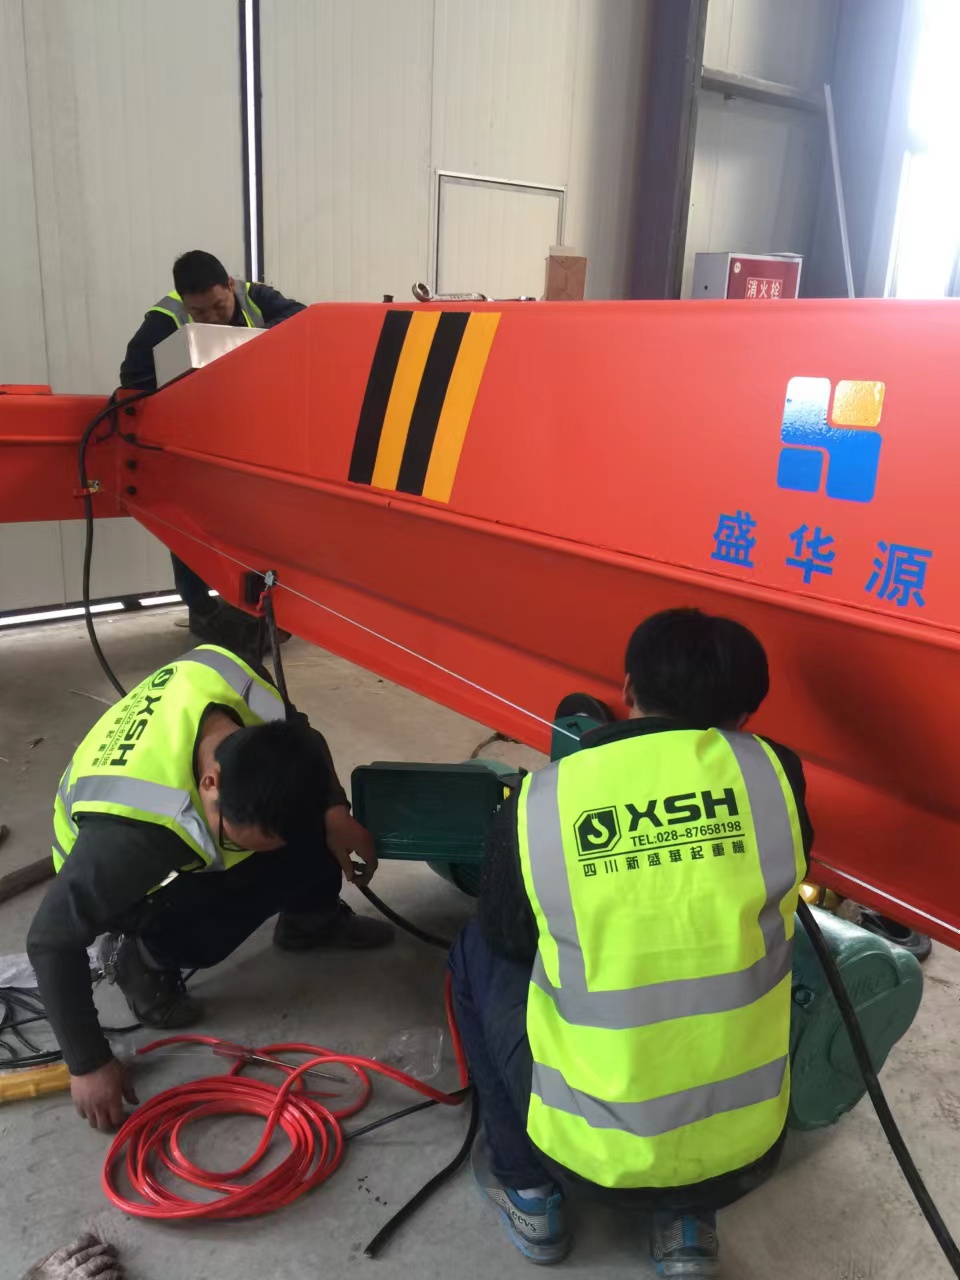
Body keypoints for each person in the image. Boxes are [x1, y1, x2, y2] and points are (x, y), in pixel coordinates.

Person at [449, 609, 813, 1276]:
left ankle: (529, 1191)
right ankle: (686, 1221)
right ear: (744, 716)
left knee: (476, 950)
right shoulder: (775, 776)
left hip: (587, 1153)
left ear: (627, 686)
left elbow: (511, 936)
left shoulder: (538, 804)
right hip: (747, 1149)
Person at [27, 643, 392, 1132]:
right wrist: (87, 1062)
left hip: (168, 825)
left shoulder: (235, 682)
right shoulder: (136, 837)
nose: (254, 851)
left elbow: (302, 737)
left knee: (309, 830)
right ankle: (144, 958)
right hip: (127, 891)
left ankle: (311, 921)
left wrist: (335, 811)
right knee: (209, 930)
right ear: (210, 783)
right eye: (242, 839)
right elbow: (50, 939)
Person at [119, 250, 307, 651]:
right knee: (188, 525)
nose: (212, 317)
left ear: (230, 286)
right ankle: (201, 609)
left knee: (259, 524)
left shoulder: (258, 298)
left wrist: (247, 344)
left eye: (218, 306)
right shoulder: (165, 318)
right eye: (199, 312)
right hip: (191, 439)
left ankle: (260, 605)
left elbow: (304, 320)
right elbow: (133, 378)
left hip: (250, 434)